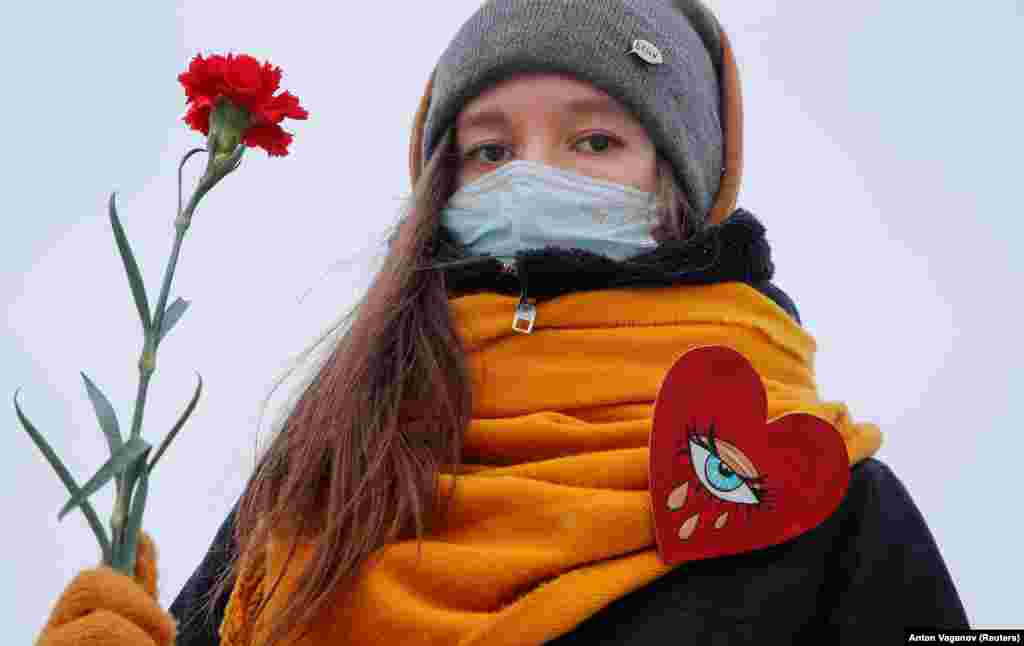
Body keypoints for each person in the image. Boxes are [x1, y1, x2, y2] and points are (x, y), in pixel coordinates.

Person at [35, 2, 969, 645]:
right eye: (490, 148)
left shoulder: (823, 500)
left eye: (594, 138)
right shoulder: (333, 467)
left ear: (681, 188)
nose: (531, 172)